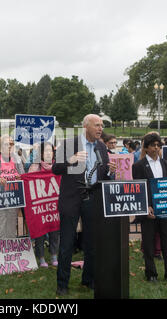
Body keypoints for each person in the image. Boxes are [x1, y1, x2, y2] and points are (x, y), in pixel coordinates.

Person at [52, 114, 115, 296]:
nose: (100, 128)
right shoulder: (69, 143)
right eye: (97, 125)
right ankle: (62, 284)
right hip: (71, 199)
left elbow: (101, 174)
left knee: (92, 243)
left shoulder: (102, 147)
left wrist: (109, 172)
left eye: (102, 125)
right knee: (67, 243)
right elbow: (55, 169)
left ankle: (89, 279)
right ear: (85, 126)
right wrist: (70, 160)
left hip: (93, 199)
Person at [132, 133, 167, 283]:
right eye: (153, 145)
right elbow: (138, 188)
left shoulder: (166, 164)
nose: (156, 148)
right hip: (149, 210)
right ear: (146, 147)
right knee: (149, 243)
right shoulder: (138, 165)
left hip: (166, 209)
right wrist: (146, 207)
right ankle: (151, 273)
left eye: (158, 145)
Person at [28, 141, 60, 268]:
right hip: (40, 205)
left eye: (50, 150)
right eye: (45, 150)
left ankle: (54, 255)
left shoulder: (57, 166)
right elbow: (28, 183)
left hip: (54, 204)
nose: (48, 153)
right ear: (40, 153)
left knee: (55, 230)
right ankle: (41, 257)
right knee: (40, 232)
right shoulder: (35, 167)